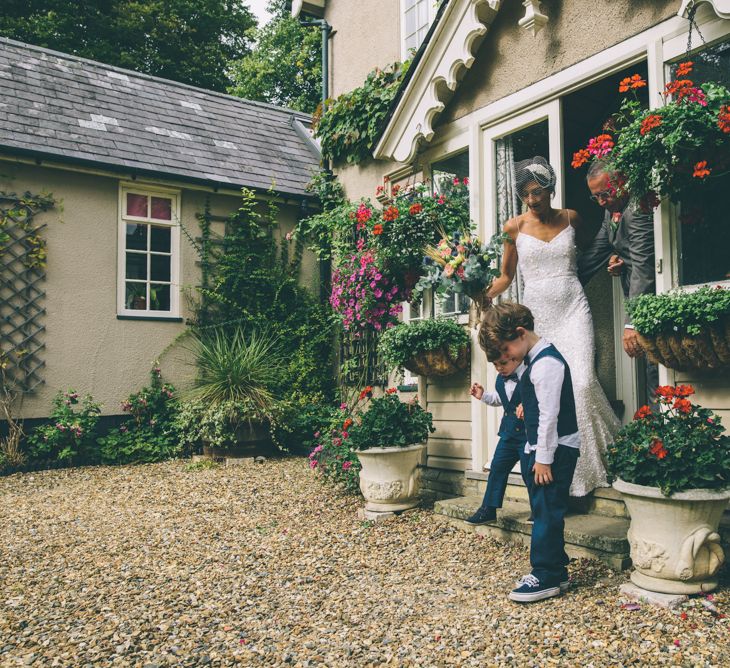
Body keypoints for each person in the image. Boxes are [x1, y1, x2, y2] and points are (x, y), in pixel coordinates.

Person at [487, 156, 619, 497]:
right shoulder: (512, 227)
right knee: (547, 396)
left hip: (573, 307)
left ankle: (597, 463)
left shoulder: (572, 218)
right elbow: (506, 276)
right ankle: (563, 477)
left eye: (538, 193)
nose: (532, 201)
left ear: (550, 189)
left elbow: (601, 246)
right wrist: (479, 294)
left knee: (584, 383)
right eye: (526, 195)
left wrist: (617, 258)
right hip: (538, 319)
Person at [480, 302, 578, 603]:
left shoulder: (547, 363)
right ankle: (557, 569)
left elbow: (549, 415)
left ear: (521, 333)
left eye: (506, 351)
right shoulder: (532, 360)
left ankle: (546, 573)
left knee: (546, 511)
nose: (506, 358)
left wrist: (543, 458)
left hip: (556, 448)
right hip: (542, 447)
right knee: (543, 507)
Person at [577, 159, 658, 401]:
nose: (601, 202)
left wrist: (631, 323)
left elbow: (644, 266)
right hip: (635, 298)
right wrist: (562, 278)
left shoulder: (638, 208)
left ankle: (664, 434)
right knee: (651, 374)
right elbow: (597, 252)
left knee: (656, 376)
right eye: (596, 197)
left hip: (650, 303)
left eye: (605, 194)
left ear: (622, 182)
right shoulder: (610, 211)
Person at [465, 349, 529, 526]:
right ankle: (488, 509)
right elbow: (502, 399)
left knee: (528, 472)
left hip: (528, 434)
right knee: (497, 467)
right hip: (508, 433)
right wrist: (483, 396)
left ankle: (540, 510)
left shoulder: (530, 373)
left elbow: (544, 398)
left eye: (503, 363)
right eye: (495, 365)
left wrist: (529, 405)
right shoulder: (502, 378)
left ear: (514, 358)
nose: (499, 368)